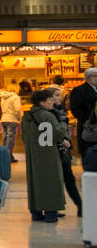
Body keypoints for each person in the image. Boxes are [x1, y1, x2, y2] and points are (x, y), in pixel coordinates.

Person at [21, 88, 65, 223]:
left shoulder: (26, 116)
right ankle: (51, 213)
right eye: (50, 99)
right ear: (42, 102)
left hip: (32, 154)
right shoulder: (49, 116)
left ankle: (36, 212)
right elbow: (58, 134)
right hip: (49, 153)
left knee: (34, 182)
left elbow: (24, 137)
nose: (52, 102)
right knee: (51, 181)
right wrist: (63, 124)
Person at [53, 90, 83, 218]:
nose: (60, 97)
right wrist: (63, 140)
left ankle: (80, 205)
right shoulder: (50, 113)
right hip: (57, 150)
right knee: (60, 179)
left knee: (68, 178)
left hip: (65, 150)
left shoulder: (61, 111)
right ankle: (54, 208)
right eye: (57, 95)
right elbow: (55, 131)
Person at [68, 69, 97, 160]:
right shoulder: (79, 90)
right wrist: (88, 121)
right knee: (89, 154)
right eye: (95, 76)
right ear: (87, 78)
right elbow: (75, 109)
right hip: (88, 128)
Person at [0, 83, 23, 164]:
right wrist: (19, 118)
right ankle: (8, 157)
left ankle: (6, 156)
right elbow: (17, 109)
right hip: (12, 119)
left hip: (3, 118)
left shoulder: (3, 97)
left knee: (5, 138)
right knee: (10, 139)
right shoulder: (16, 97)